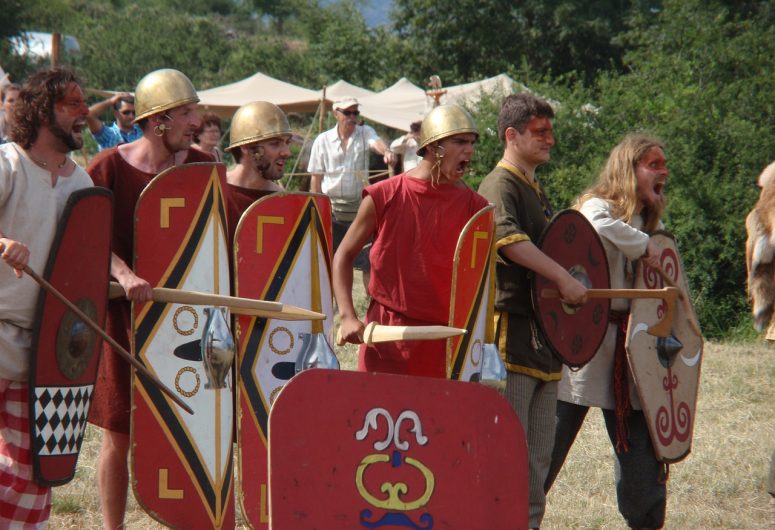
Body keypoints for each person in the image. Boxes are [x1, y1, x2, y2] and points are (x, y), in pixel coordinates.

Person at [86, 68, 211, 530]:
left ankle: (184, 517)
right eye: (186, 112)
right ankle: (112, 527)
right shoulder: (107, 168)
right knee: (120, 431)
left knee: (188, 423)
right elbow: (84, 232)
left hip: (185, 320)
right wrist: (123, 272)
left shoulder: (202, 166)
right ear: (157, 120)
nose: (196, 119)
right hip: (123, 315)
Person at [544, 133, 671, 529]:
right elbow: (593, 224)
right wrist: (643, 245)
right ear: (628, 169)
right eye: (653, 164)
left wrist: (650, 243)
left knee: (639, 461)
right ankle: (515, 514)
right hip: (587, 343)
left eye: (663, 165)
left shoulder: (651, 221)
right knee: (547, 447)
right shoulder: (597, 205)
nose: (663, 171)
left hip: (632, 351)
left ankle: (645, 521)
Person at [477, 93, 588, 530]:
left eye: (550, 131)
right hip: (512, 337)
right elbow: (506, 239)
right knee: (509, 457)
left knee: (536, 467)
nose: (550, 140)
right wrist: (562, 277)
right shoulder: (499, 185)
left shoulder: (533, 188)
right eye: (540, 132)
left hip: (543, 342)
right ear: (512, 134)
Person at [0, 67, 93, 528]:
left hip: (39, 350)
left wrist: (123, 275)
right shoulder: (7, 165)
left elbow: (88, 258)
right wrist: (1, 243)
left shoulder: (82, 185)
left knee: (31, 472)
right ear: (40, 111)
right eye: (72, 103)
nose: (84, 112)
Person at [334, 104, 488, 378]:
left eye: (472, 143)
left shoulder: (477, 209)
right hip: (386, 338)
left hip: (445, 343)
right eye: (460, 141)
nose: (470, 150)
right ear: (433, 146)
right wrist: (347, 315)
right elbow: (343, 255)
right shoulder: (385, 195)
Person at [308, 96, 397, 288]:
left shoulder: (365, 133)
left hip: (360, 210)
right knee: (329, 263)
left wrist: (387, 152)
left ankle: (369, 307)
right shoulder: (322, 140)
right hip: (331, 211)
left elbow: (376, 143)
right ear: (336, 114)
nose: (352, 116)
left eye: (355, 112)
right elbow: (315, 180)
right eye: (347, 112)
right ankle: (333, 311)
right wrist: (315, 211)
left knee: (368, 261)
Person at [224, 101, 291, 243]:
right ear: (246, 147)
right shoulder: (216, 192)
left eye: (287, 143)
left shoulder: (282, 201)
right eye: (275, 143)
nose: (286, 152)